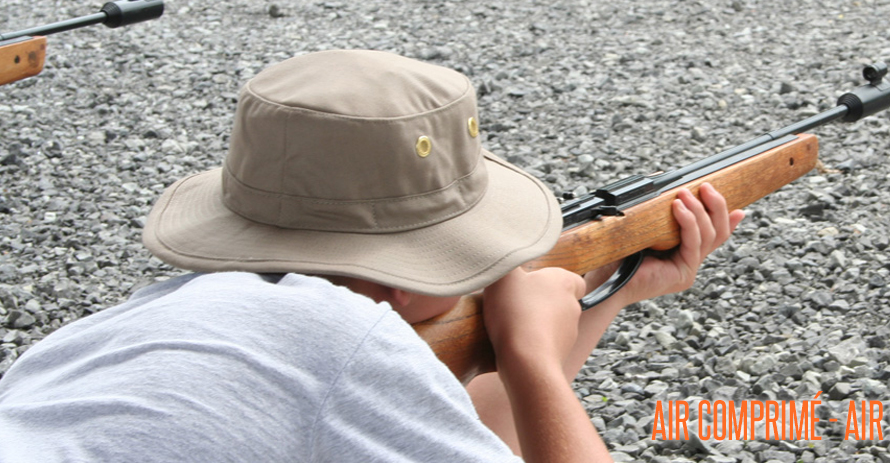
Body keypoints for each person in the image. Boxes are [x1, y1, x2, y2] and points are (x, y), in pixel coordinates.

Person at [0, 50, 743, 462]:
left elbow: (434, 427)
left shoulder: (118, 332)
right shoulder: (335, 336)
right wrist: (531, 360)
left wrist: (608, 290)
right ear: (398, 278)